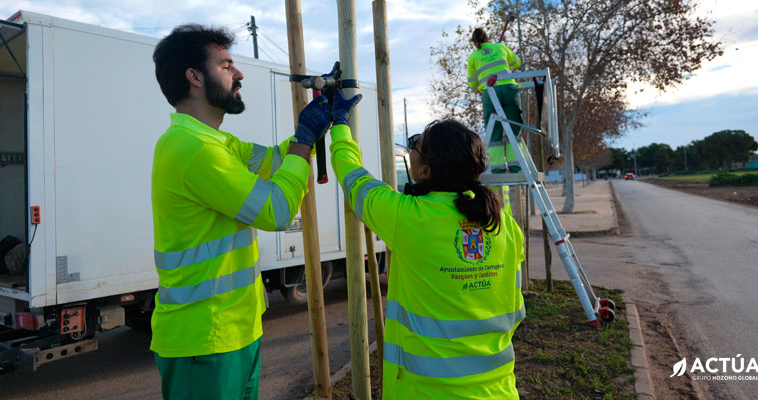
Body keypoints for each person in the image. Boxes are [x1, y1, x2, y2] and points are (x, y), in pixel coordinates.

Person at [150, 24, 354, 400]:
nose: (239, 74)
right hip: (204, 339)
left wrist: (317, 122)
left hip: (235, 330)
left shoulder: (217, 142)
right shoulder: (193, 150)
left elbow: (279, 159)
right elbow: (276, 210)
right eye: (226, 66)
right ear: (194, 77)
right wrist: (305, 139)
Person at [329, 100, 526, 399]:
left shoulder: (407, 217)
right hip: (498, 390)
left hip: (428, 392)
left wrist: (340, 126)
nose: (409, 151)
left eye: (414, 146)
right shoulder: (505, 225)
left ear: (425, 170)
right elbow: (514, 308)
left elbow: (353, 178)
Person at [467, 27, 524, 174]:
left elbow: (472, 83)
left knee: (494, 132)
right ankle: (515, 166)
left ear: (474, 42)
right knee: (514, 128)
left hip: (490, 93)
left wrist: (478, 88)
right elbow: (517, 62)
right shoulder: (500, 47)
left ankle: (498, 168)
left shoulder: (473, 57)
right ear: (488, 37)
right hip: (509, 89)